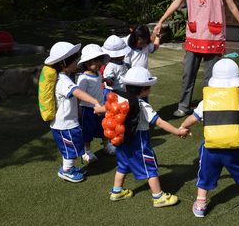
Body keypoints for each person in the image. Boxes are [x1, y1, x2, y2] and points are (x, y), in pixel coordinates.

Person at [153, 0, 239, 117]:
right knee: (188, 74)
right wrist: (161, 21)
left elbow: (232, 6)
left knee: (210, 78)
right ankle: (183, 107)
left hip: (213, 36)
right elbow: (177, 2)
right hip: (194, 36)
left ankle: (209, 107)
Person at [179, 59, 239, 217]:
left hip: (210, 149)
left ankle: (200, 204)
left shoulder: (206, 101)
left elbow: (193, 118)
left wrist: (183, 126)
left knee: (205, 174)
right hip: (234, 148)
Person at [95, 66, 189, 207]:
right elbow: (160, 122)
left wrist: (98, 110)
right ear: (145, 89)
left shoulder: (119, 98)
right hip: (138, 142)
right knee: (150, 167)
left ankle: (117, 191)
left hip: (121, 140)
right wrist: (178, 131)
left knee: (122, 165)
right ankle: (158, 197)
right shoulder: (143, 106)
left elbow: (107, 108)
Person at [45, 41, 102, 183]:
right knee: (71, 149)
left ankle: (68, 168)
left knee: (73, 146)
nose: (77, 62)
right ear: (64, 63)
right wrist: (95, 102)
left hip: (68, 122)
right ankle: (66, 171)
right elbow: (78, 93)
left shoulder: (64, 78)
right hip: (64, 124)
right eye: (74, 59)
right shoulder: (63, 81)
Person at [76, 44, 116, 162]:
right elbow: (79, 94)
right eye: (95, 60)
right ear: (86, 62)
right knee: (87, 130)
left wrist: (105, 80)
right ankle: (86, 151)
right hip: (87, 109)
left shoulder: (98, 74)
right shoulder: (83, 78)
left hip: (101, 107)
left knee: (103, 126)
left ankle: (107, 144)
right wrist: (78, 109)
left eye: (100, 60)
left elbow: (97, 81)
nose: (99, 63)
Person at [124, 25, 160, 102]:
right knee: (133, 100)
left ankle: (144, 112)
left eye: (145, 42)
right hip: (133, 80)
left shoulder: (146, 46)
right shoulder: (129, 50)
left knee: (144, 99)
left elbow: (155, 47)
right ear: (134, 39)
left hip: (144, 79)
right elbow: (126, 65)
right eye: (140, 43)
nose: (142, 45)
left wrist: (157, 37)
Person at [102, 35, 131, 103]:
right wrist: (109, 81)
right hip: (112, 93)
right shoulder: (111, 66)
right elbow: (110, 80)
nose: (124, 54)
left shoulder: (121, 62)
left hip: (122, 91)